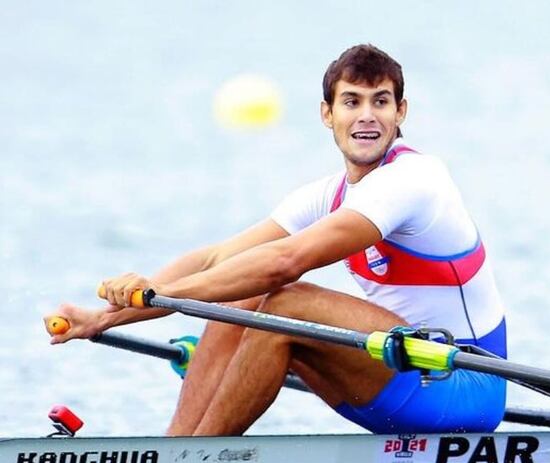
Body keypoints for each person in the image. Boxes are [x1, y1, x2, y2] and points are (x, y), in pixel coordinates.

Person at [45, 44, 508, 436]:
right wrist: (103, 318)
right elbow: (217, 260)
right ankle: (175, 452)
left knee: (284, 302)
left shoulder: (414, 178)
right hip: (403, 371)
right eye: (352, 102)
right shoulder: (327, 194)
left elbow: (285, 262)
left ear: (400, 112)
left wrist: (159, 296)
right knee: (241, 293)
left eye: (380, 102)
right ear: (327, 114)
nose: (367, 116)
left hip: (462, 385)